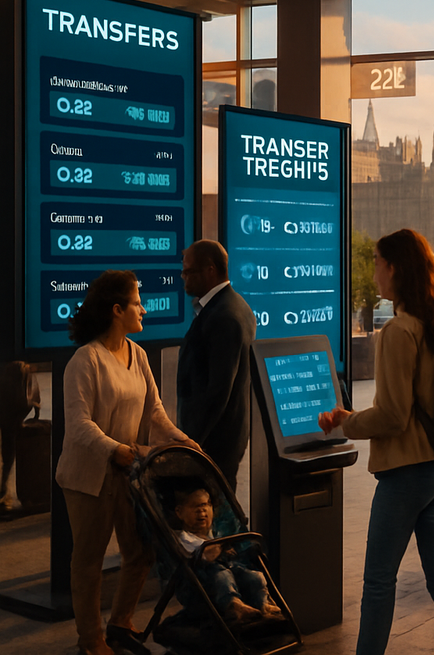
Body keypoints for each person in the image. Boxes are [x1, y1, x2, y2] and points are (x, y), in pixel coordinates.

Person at [317, 229, 434, 655]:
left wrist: (345, 421)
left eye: (376, 263)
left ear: (394, 269)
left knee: (378, 580)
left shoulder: (399, 333)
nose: (374, 272)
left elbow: (392, 415)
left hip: (407, 473)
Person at [56, 270, 198, 655]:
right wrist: (115, 449)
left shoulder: (138, 354)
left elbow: (154, 411)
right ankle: (90, 639)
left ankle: (119, 624)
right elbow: (78, 425)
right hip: (88, 477)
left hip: (129, 473)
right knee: (88, 560)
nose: (144, 309)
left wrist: (184, 441)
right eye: (137, 303)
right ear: (117, 310)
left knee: (140, 552)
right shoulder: (84, 360)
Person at [176, 240, 256, 491]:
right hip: (221, 438)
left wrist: (192, 441)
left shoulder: (225, 316)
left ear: (210, 270)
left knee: (211, 515)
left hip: (214, 442)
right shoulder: (230, 305)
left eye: (189, 272)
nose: (184, 278)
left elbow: (218, 390)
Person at [171, 481, 282, 624]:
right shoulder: (185, 539)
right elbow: (208, 555)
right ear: (179, 512)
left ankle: (262, 604)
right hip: (206, 582)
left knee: (255, 577)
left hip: (231, 570)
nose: (202, 511)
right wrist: (221, 547)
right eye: (195, 507)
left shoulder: (215, 534)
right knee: (222, 575)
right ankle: (233, 605)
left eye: (206, 505)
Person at [0, 360, 39, 516]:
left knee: (8, 457)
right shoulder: (21, 382)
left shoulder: (10, 380)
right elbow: (25, 403)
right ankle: (5, 493)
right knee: (9, 457)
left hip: (9, 421)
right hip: (9, 422)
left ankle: (5, 492)